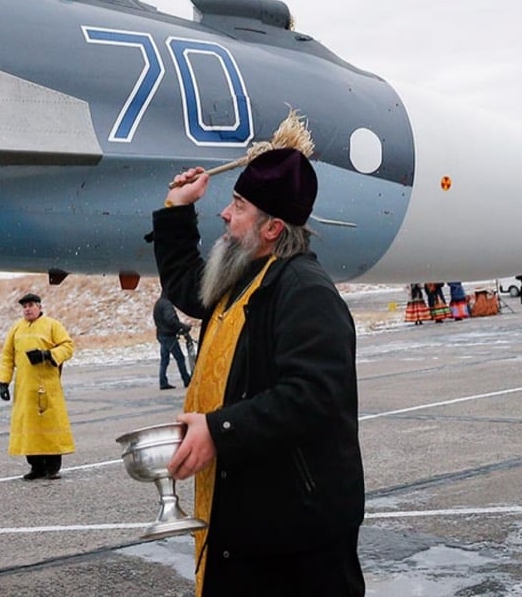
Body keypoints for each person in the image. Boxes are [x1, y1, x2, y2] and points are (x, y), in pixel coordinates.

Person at [153, 149, 366, 595]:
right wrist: (177, 209)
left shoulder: (306, 292)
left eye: (239, 206)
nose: (226, 215)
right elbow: (189, 286)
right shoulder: (244, 276)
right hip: (249, 515)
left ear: (272, 228)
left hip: (297, 540)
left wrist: (219, 429)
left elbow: (313, 395)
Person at [0, 293, 75, 481]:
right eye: (24, 307)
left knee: (50, 428)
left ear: (39, 306)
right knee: (29, 429)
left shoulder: (52, 325)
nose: (27, 309)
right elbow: (7, 356)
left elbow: (68, 347)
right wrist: (3, 382)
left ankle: (52, 467)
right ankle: (36, 467)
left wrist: (48, 355)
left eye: (30, 305)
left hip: (47, 386)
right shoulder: (16, 329)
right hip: (25, 388)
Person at [153, 293, 192, 390]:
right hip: (169, 336)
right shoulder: (167, 304)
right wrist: (183, 327)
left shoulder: (159, 303)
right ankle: (186, 380)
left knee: (164, 360)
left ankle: (163, 382)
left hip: (162, 335)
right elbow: (170, 320)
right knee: (180, 358)